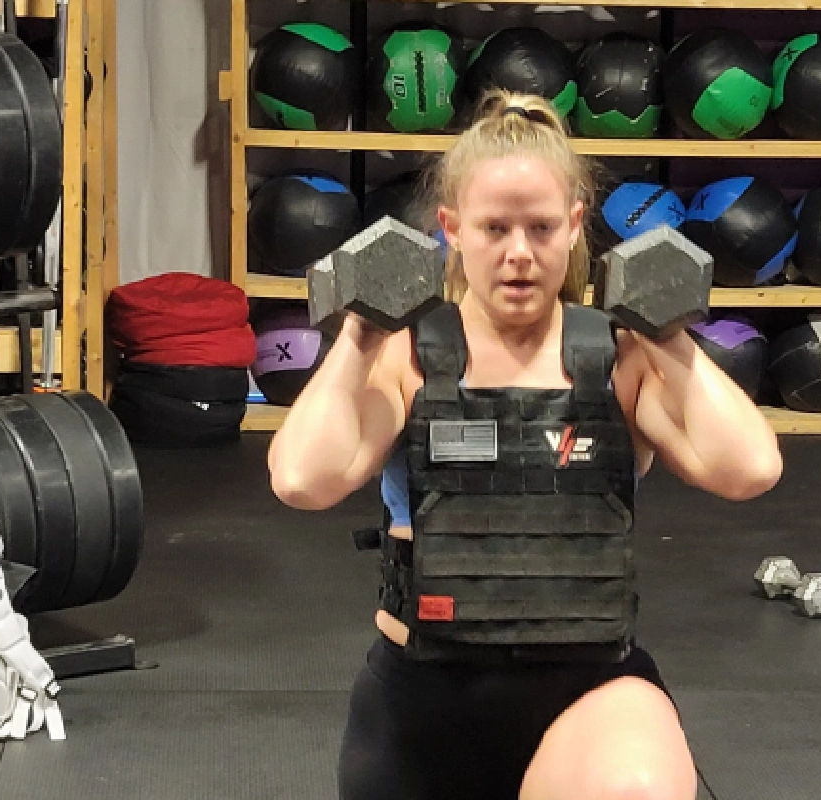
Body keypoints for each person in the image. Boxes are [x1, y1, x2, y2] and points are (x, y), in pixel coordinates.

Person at [267, 89, 783, 800]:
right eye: (494, 228)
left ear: (574, 226)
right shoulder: (406, 356)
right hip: (424, 703)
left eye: (541, 227)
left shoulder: (622, 358)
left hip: (588, 698)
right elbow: (302, 480)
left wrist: (671, 339)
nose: (518, 254)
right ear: (451, 228)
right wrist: (360, 332)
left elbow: (750, 469)